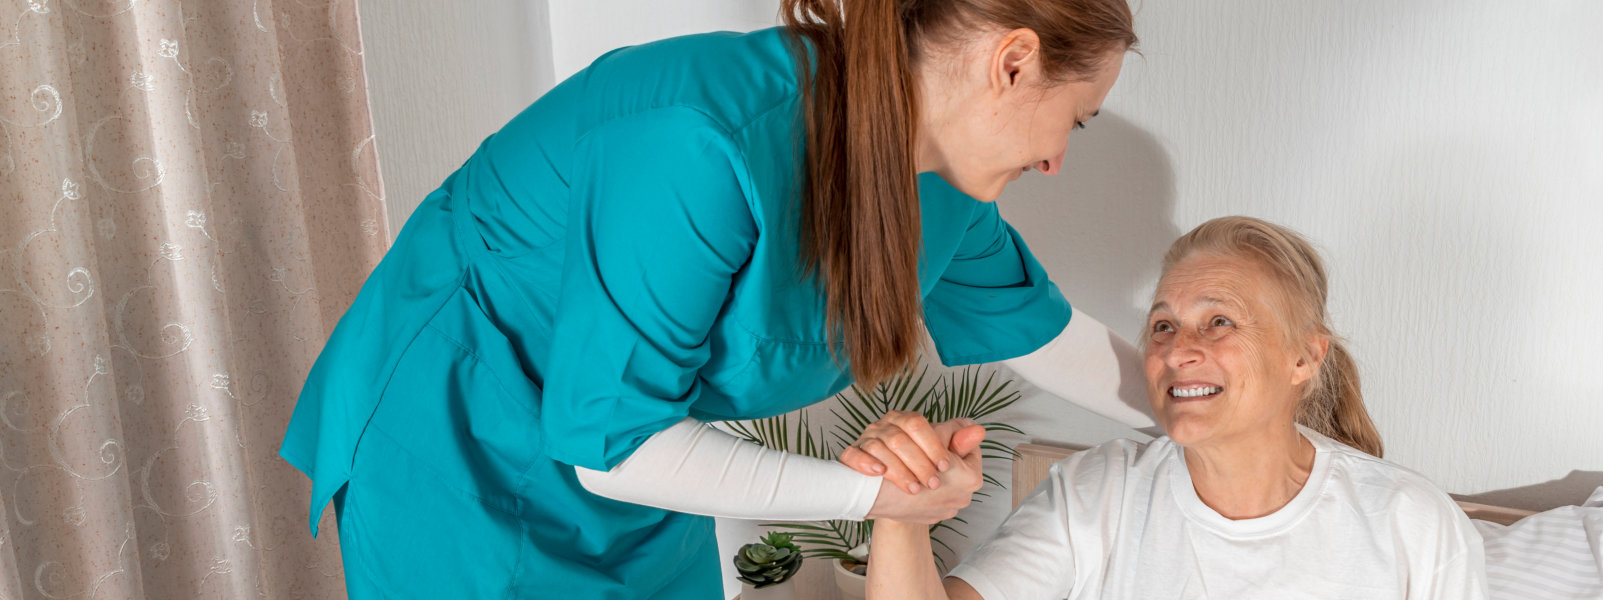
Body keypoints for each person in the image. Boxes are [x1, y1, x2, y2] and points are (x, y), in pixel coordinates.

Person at [278, 0, 1157, 596]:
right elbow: (611, 449)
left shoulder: (945, 185)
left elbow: (1041, 332)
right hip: (460, 440)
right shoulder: (702, 142)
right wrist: (875, 499)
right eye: (1073, 119)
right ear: (1012, 63)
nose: (1056, 161)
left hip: (635, 463)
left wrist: (1205, 404)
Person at [853, 217, 1489, 599]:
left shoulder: (1411, 523)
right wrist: (904, 509)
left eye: (1219, 322)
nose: (1180, 350)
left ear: (1305, 357)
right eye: (1163, 325)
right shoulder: (1098, 492)